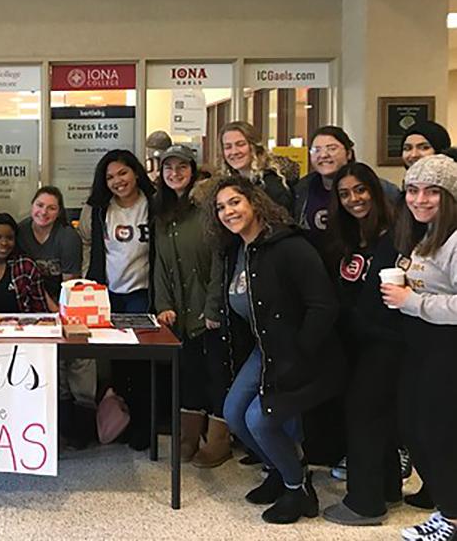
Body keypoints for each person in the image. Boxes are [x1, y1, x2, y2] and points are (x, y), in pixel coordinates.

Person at [206, 176, 344, 524]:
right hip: (265, 349)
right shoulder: (237, 250)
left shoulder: (290, 246)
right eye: (220, 207)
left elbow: (323, 306)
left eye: (234, 202)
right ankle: (279, 471)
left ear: (255, 202)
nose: (228, 211)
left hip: (304, 353)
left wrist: (299, 354)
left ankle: (297, 488)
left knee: (260, 419)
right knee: (235, 414)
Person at [321, 163, 404, 526]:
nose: (354, 199)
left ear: (374, 189)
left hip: (386, 342)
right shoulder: (348, 238)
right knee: (374, 417)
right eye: (345, 194)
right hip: (354, 343)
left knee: (363, 416)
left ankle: (365, 504)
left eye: (360, 190)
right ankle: (387, 488)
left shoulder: (396, 237)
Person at [384, 155, 457, 541]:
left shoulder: (455, 239)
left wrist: (411, 301)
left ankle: (452, 518)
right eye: (413, 190)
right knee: (414, 428)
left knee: (435, 433)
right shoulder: (425, 234)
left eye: (433, 192)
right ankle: (448, 511)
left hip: (446, 349)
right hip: (420, 345)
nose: (421, 199)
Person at [150, 145, 229, 468]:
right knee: (188, 375)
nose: (175, 173)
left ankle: (218, 442)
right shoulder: (162, 213)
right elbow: (160, 264)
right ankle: (188, 438)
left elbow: (218, 262)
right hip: (178, 311)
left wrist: (213, 308)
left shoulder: (208, 208)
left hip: (207, 312)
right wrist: (163, 304)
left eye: (182, 167)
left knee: (216, 375)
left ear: (193, 170)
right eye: (168, 168)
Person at [78, 149, 155, 450]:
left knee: (142, 363)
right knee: (116, 364)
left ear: (136, 172)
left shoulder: (153, 205)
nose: (117, 181)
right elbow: (91, 246)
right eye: (110, 177)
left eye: (123, 173)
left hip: (142, 294)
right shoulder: (100, 209)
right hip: (109, 295)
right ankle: (121, 423)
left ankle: (143, 426)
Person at [15, 189, 93, 446]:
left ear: (59, 211)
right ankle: (55, 428)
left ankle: (81, 428)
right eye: (39, 205)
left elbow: (69, 285)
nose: (44, 212)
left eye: (51, 208)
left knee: (78, 361)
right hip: (31, 306)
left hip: (64, 303)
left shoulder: (67, 237)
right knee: (51, 366)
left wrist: (55, 312)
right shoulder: (21, 231)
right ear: (32, 205)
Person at [294, 126, 399, 253]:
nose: (323, 155)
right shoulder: (301, 189)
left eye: (331, 148)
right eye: (316, 150)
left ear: (348, 153)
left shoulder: (383, 189)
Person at [219, 121, 293, 212]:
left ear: (254, 146)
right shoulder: (227, 183)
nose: (234, 152)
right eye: (228, 147)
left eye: (240, 144)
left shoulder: (272, 184)